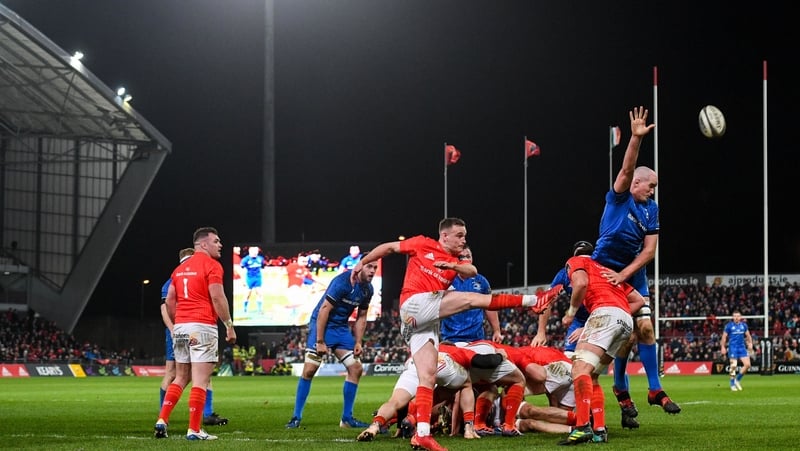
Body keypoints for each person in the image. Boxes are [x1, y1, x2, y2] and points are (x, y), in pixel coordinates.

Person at [350, 217, 563, 451]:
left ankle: (421, 434)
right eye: (459, 235)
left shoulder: (457, 261)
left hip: (423, 322)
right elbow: (389, 247)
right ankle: (534, 300)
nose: (464, 240)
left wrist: (453, 266)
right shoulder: (422, 244)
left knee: (428, 376)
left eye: (465, 235)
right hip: (413, 303)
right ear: (445, 236)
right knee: (471, 300)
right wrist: (363, 262)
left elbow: (472, 270)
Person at [592, 106, 680, 427]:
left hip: (632, 276)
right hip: (605, 274)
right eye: (651, 185)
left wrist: (627, 274)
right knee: (624, 338)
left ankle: (655, 390)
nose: (653, 191)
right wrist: (635, 138)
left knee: (644, 328)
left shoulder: (651, 209)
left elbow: (649, 250)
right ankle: (621, 389)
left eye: (654, 187)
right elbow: (627, 168)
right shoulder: (619, 198)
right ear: (637, 184)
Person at [154, 227, 237, 441]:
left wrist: (179, 321)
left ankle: (162, 420)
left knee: (180, 377)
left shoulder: (179, 270)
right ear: (203, 244)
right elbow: (218, 298)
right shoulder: (212, 266)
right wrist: (228, 324)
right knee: (200, 380)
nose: (220, 245)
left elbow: (170, 300)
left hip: (181, 328)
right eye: (216, 241)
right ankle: (194, 429)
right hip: (202, 326)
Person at [558, 248, 645, 445]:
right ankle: (599, 430)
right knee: (593, 374)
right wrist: (616, 312)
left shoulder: (577, 261)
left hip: (605, 313)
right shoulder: (606, 271)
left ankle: (582, 427)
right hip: (625, 321)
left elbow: (580, 283)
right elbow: (639, 300)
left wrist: (571, 313)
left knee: (579, 367)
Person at [285, 257, 379, 429]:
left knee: (356, 368)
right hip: (323, 323)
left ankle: (346, 419)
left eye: (375, 267)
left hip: (341, 328)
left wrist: (358, 341)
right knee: (310, 369)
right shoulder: (342, 282)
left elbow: (362, 316)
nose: (373, 271)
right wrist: (320, 341)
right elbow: (324, 310)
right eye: (369, 267)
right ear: (360, 267)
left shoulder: (368, 289)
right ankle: (296, 417)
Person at [159, 248, 228, 427]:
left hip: (181, 327)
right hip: (192, 326)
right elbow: (165, 306)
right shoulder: (187, 275)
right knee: (178, 374)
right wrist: (173, 328)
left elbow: (168, 303)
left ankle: (166, 418)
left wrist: (178, 327)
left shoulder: (176, 276)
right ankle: (192, 426)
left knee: (185, 375)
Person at [440, 245, 502, 344]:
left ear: (472, 258)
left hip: (476, 339)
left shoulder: (481, 281)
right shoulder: (446, 280)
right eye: (461, 257)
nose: (465, 260)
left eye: (468, 256)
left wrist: (496, 330)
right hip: (449, 339)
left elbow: (489, 306)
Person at [720, 310, 753, 391]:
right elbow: (724, 337)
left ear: (740, 317)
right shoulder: (729, 326)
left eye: (738, 316)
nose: (736, 318)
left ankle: (737, 380)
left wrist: (750, 343)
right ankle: (732, 385)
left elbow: (748, 335)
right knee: (733, 366)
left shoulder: (744, 325)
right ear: (732, 317)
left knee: (747, 365)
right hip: (733, 348)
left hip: (742, 347)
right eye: (735, 316)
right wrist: (723, 347)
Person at [240, 246, 266, 314]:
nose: (255, 253)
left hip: (258, 278)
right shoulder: (246, 259)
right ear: (250, 252)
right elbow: (242, 269)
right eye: (254, 251)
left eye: (256, 251)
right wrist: (243, 280)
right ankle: (245, 308)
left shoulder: (260, 259)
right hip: (249, 278)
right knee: (248, 294)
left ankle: (259, 310)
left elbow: (263, 267)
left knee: (259, 293)